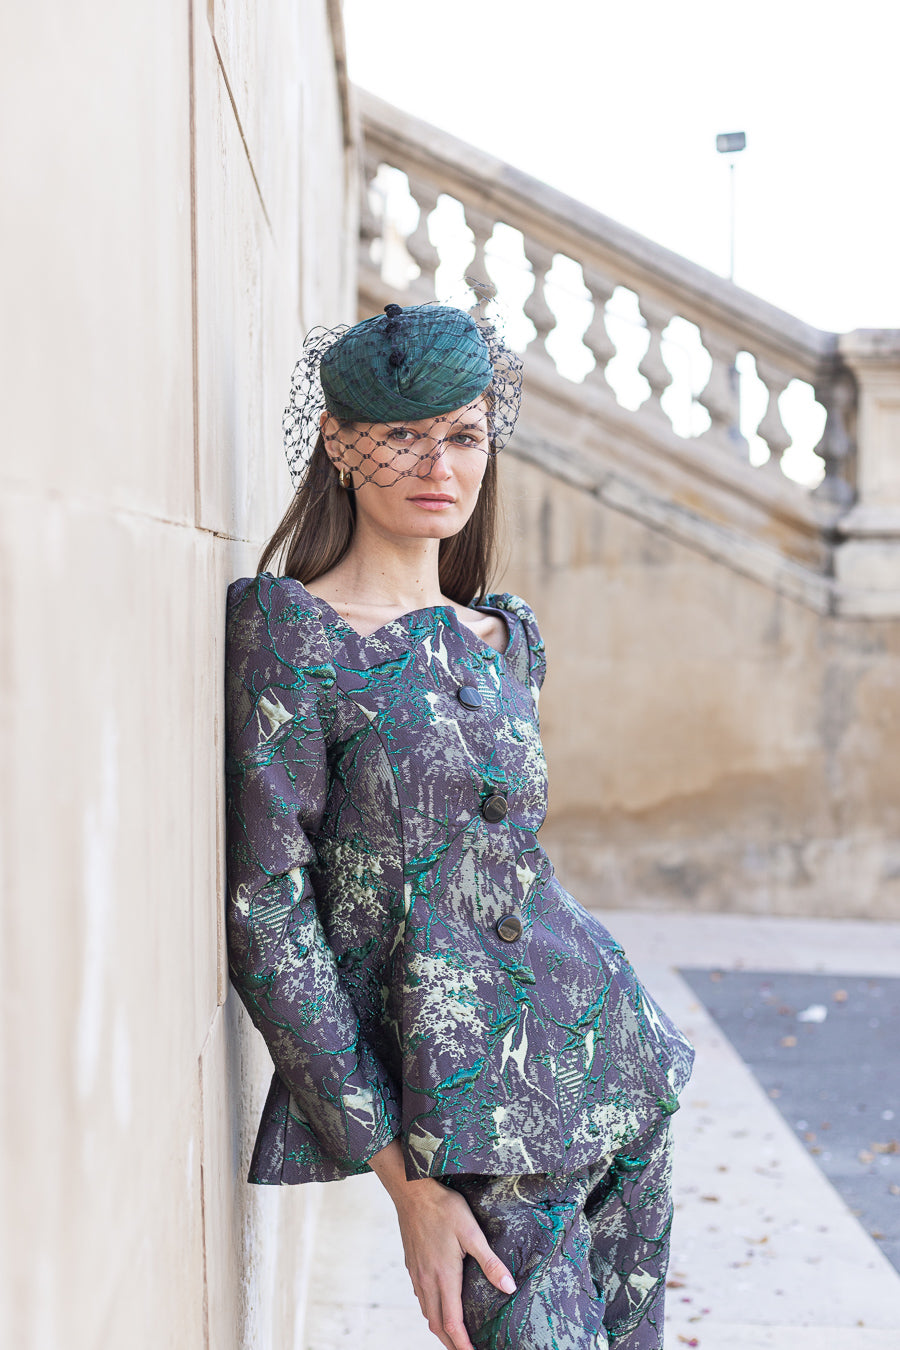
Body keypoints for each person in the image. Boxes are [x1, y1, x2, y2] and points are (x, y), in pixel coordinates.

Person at [224, 299, 695, 1350]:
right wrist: (408, 1184)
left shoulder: (507, 637)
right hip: (469, 1127)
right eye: (403, 435)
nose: (440, 464)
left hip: (615, 1069)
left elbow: (506, 869)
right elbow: (268, 917)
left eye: (464, 435)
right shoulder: (293, 637)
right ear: (340, 444)